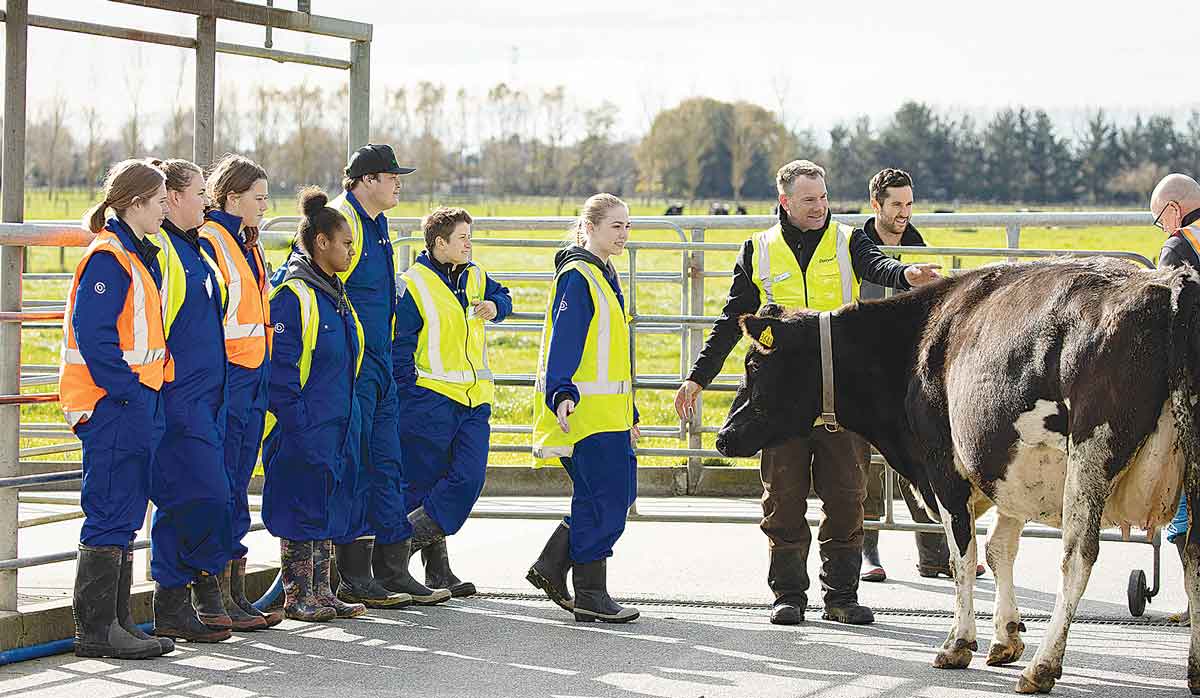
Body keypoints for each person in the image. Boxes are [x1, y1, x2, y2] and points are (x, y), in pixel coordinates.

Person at [673, 160, 941, 626]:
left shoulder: (846, 238)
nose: (820, 207)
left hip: (841, 392)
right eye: (809, 200)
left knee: (846, 495)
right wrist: (698, 377)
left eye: (823, 197)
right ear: (785, 201)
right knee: (783, 496)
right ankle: (789, 595)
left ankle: (842, 596)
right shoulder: (758, 249)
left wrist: (906, 275)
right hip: (781, 399)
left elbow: (875, 263)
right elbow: (730, 320)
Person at [60, 160, 173, 659]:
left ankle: (118, 622)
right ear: (134, 203)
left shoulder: (134, 253)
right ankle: (97, 631)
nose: (166, 208)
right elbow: (95, 335)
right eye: (160, 201)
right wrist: (126, 391)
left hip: (134, 400)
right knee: (109, 511)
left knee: (125, 512)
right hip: (113, 404)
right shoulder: (110, 256)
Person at [321, 144, 429, 607]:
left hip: (379, 364)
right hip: (354, 366)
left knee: (387, 464)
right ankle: (351, 575)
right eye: (390, 176)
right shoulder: (341, 219)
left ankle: (391, 571)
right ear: (366, 180)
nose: (397, 183)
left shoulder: (377, 225)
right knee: (357, 466)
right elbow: (317, 280)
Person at [527, 193, 641, 624]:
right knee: (603, 499)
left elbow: (612, 354)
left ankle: (552, 564)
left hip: (610, 413)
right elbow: (566, 340)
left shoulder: (603, 273)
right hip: (583, 413)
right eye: (616, 226)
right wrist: (561, 392)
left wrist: (630, 414)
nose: (624, 234)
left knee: (615, 495)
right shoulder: (578, 276)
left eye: (627, 226)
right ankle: (590, 593)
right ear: (590, 227)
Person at [262, 187, 370, 622]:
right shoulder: (295, 295)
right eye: (345, 243)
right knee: (299, 510)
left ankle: (323, 591)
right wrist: (300, 425)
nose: (349, 251)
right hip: (303, 428)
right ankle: (298, 594)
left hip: (335, 424)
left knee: (325, 507)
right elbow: (281, 371)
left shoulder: (334, 293)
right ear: (321, 242)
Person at [854, 167, 966, 583]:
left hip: (906, 368)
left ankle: (934, 552)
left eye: (909, 204)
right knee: (860, 461)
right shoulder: (858, 244)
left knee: (918, 454)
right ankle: (867, 551)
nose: (904, 213)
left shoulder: (917, 244)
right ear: (876, 205)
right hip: (865, 367)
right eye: (896, 204)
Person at [393, 207, 512, 598]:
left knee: (468, 478)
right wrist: (412, 396)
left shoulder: (475, 274)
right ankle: (437, 573)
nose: (469, 243)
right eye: (462, 237)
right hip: (430, 401)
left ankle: (394, 552)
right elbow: (400, 350)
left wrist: (496, 307)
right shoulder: (413, 285)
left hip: (474, 400)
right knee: (424, 485)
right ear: (439, 243)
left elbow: (503, 297)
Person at [147, 158, 236, 643]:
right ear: (174, 197)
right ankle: (191, 589)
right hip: (179, 398)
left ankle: (175, 605)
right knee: (202, 495)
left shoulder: (195, 248)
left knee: (190, 498)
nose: (207, 200)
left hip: (208, 396)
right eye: (200, 192)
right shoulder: (161, 251)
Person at [197, 154, 274, 630]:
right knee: (222, 483)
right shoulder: (213, 240)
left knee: (238, 485)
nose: (266, 206)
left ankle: (232, 592)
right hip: (228, 379)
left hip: (253, 377)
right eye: (259, 198)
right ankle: (213, 595)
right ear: (230, 197)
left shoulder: (249, 242)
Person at [1151, 172, 1200, 625]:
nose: (1161, 227)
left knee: (1188, 498)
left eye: (1158, 219)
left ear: (1173, 210)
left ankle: (1194, 604)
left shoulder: (1179, 246)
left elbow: (1166, 319)